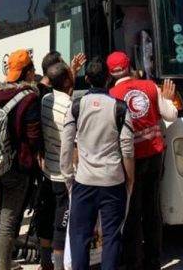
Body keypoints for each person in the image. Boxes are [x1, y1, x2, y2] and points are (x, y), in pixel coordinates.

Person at [61, 58, 134, 270]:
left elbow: (67, 145)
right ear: (109, 79)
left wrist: (68, 177)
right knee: (112, 237)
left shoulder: (76, 106)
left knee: (80, 237)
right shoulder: (120, 108)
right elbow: (127, 149)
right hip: (113, 181)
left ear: (87, 79)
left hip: (84, 181)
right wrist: (130, 180)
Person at [107, 51, 178, 270]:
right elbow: (171, 115)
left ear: (110, 73)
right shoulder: (150, 86)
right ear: (130, 67)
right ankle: (153, 261)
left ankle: (133, 262)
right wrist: (167, 99)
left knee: (132, 212)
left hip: (130, 160)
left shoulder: (111, 95)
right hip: (154, 155)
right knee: (152, 210)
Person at [0, 49, 43, 270]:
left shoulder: (0, 94)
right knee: (8, 222)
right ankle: (3, 267)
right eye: (32, 69)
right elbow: (33, 134)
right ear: (27, 72)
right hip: (18, 164)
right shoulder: (29, 97)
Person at [36, 61, 76, 270]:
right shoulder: (70, 107)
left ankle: (45, 263)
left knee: (46, 218)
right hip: (64, 176)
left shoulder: (45, 100)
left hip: (47, 171)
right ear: (68, 81)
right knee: (62, 223)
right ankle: (59, 266)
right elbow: (74, 145)